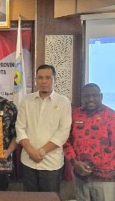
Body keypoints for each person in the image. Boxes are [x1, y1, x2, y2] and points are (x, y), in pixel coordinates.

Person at [15, 64, 72, 193]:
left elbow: (63, 132)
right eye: (40, 78)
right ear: (36, 80)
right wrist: (31, 152)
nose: (44, 81)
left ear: (55, 79)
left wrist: (41, 152)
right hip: (28, 160)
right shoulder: (26, 100)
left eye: (48, 77)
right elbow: (20, 128)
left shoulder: (63, 102)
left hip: (51, 163)